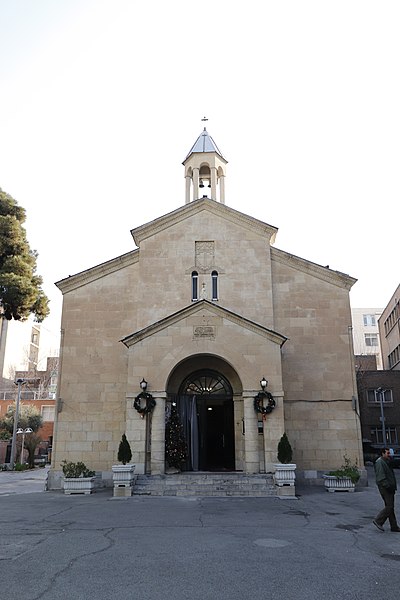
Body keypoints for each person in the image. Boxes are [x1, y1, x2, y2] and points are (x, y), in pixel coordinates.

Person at [373, 447, 400, 532]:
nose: (389, 455)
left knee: (390, 506)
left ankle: (394, 526)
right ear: (383, 453)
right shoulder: (380, 462)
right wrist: (387, 486)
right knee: (389, 506)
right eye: (387, 453)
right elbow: (381, 477)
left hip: (388, 487)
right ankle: (378, 520)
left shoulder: (385, 461)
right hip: (385, 488)